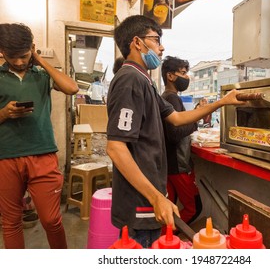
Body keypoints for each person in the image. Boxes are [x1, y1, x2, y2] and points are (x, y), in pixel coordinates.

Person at [106, 15, 244, 248]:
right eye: (156, 39)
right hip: (138, 200)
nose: (161, 47)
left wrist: (221, 102)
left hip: (148, 195)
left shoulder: (146, 81)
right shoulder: (130, 79)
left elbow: (177, 118)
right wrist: (156, 197)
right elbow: (116, 147)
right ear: (137, 43)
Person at [0, 23, 79, 249]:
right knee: (11, 222)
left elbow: (72, 88)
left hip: (42, 153)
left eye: (23, 56)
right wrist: (4, 113)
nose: (18, 62)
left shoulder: (42, 75)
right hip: (6, 156)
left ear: (32, 49)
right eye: (11, 56)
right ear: (2, 51)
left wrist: (40, 60)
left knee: (52, 220)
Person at [161, 56, 202, 230]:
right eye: (183, 73)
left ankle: (164, 239)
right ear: (170, 76)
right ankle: (167, 237)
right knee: (194, 208)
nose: (187, 77)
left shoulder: (166, 97)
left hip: (169, 165)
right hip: (178, 165)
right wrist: (196, 120)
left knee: (172, 207)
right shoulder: (172, 98)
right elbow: (175, 134)